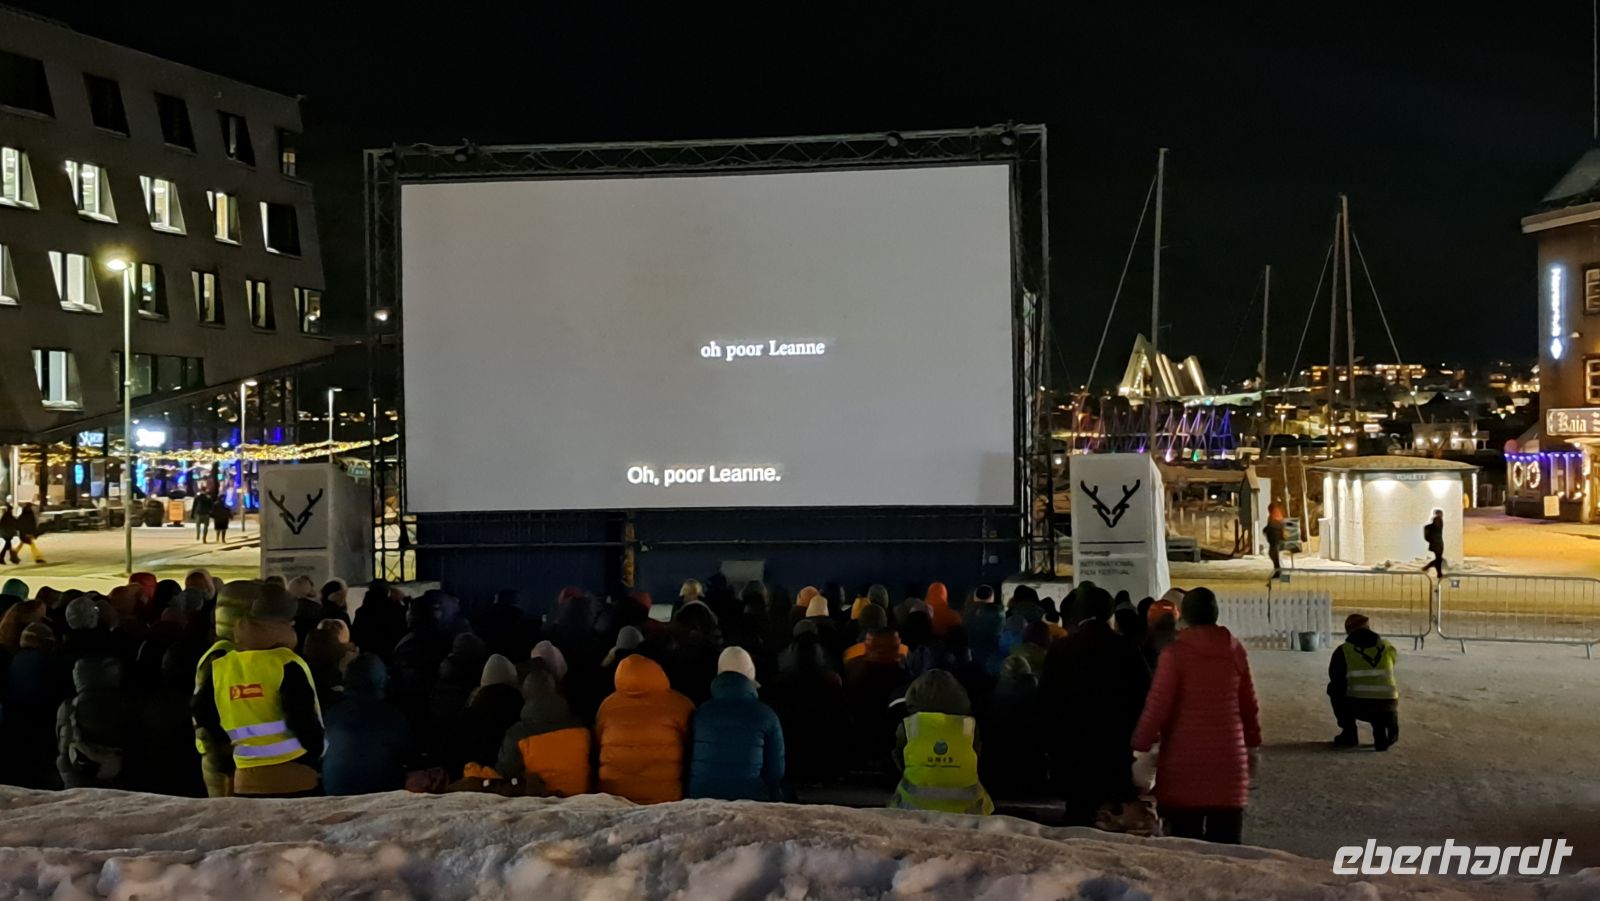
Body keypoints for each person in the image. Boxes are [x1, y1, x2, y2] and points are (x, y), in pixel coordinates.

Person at [1131, 587, 1262, 845]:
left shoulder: (1175, 654)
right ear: (1215, 613)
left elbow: (1158, 707)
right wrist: (1252, 744)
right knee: (1227, 852)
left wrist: (1140, 745)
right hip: (1229, 768)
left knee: (1186, 848)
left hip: (1183, 769)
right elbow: (1249, 705)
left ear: (1184, 616)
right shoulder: (1234, 650)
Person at [192, 588, 325, 797]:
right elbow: (303, 719)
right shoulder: (287, 664)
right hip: (295, 775)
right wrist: (317, 752)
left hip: (245, 777)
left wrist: (226, 753)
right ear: (284, 626)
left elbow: (201, 711)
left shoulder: (221, 667)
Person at [1041, 584, 1151, 826]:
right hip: (1115, 747)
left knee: (1077, 814)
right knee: (1111, 818)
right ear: (1109, 613)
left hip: (1072, 748)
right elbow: (1145, 696)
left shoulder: (1061, 649)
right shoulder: (1126, 648)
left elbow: (1047, 700)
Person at [889, 669, 993, 815]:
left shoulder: (910, 725)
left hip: (913, 807)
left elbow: (899, 758)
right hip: (968, 810)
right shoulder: (969, 726)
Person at [594, 654, 695, 804]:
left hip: (615, 798)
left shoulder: (607, 706)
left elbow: (597, 742)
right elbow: (692, 745)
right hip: (664, 798)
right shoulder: (679, 703)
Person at [688, 647, 785, 801]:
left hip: (702, 798)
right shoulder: (766, 715)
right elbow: (776, 772)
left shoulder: (701, 713)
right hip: (750, 798)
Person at [322, 655, 416, 795]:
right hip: (381, 793)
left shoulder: (331, 714)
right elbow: (410, 755)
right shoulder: (391, 716)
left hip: (335, 791)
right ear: (383, 680)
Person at [496, 662, 592, 797]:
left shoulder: (516, 735)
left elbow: (504, 775)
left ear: (524, 695)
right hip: (581, 800)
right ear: (555, 691)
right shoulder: (581, 726)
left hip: (539, 801)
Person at [56, 656, 138, 789]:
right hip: (118, 784)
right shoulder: (127, 706)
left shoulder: (68, 707)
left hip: (76, 780)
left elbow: (62, 744)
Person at [1329, 613, 1400, 751]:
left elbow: (1335, 679)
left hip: (1359, 706)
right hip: (1388, 705)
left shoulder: (1343, 651)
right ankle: (1385, 732)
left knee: (1333, 689)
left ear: (1349, 631)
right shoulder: (1387, 647)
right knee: (1382, 691)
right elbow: (1391, 664)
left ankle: (1349, 733)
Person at [1263, 503, 1287, 585]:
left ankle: (1279, 572)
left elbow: (1275, 526)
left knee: (1273, 553)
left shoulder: (1276, 516)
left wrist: (1266, 530)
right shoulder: (1272, 516)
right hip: (1274, 539)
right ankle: (1278, 570)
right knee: (1273, 554)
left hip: (1276, 539)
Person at [1423, 509, 1445, 577]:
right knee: (1439, 559)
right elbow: (1436, 528)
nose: (1442, 515)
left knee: (1438, 559)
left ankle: (1439, 573)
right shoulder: (1438, 519)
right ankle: (1427, 567)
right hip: (1437, 543)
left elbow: (1433, 528)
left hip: (1436, 543)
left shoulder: (1437, 520)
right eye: (1441, 513)